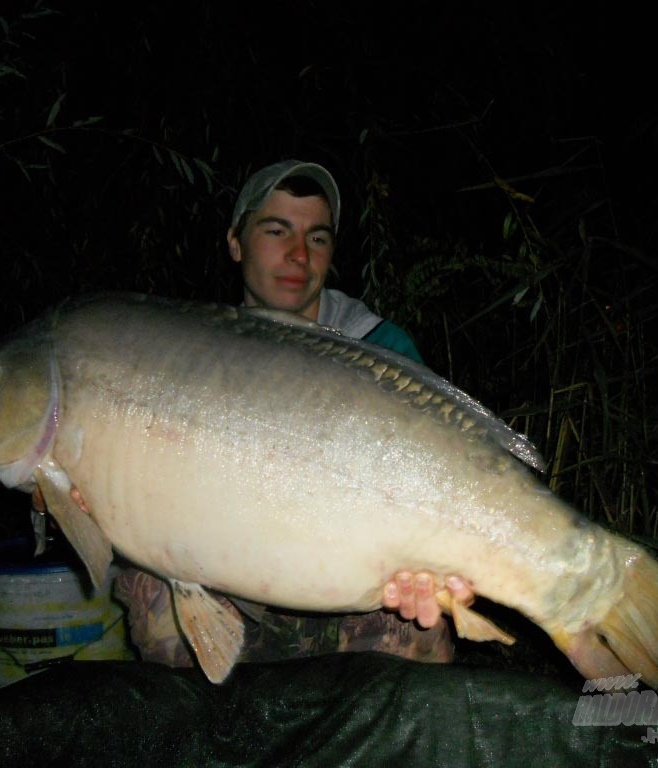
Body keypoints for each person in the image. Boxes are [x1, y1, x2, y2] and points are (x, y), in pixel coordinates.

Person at [112, 159, 474, 669]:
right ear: (235, 242)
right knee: (153, 587)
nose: (299, 254)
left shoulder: (382, 351)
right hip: (229, 580)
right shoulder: (189, 353)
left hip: (352, 583)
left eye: (317, 238)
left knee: (418, 628)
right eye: (276, 230)